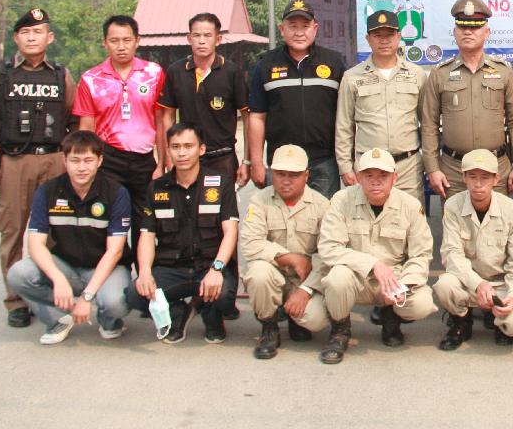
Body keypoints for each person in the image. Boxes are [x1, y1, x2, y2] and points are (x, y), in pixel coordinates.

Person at [0, 7, 76, 328]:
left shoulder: (61, 75)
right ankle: (16, 300)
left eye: (38, 32)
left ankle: (53, 291)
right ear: (16, 38)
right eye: (26, 33)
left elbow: (75, 119)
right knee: (13, 231)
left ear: (49, 37)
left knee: (58, 231)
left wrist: (72, 162)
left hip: (54, 161)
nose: (32, 38)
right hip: (14, 162)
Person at [6, 130, 132, 344]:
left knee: (116, 302)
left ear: (100, 161)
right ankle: (59, 318)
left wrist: (87, 296)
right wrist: (58, 279)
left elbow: (115, 251)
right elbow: (35, 245)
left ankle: (109, 321)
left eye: (88, 160)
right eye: (75, 160)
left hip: (105, 268)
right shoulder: (48, 191)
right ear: (64, 161)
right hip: (66, 266)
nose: (81, 167)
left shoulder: (116, 193)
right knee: (18, 273)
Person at [316, 147, 437, 364]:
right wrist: (373, 264)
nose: (376, 182)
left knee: (422, 302)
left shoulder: (410, 206)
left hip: (393, 279)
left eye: (383, 176)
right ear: (358, 177)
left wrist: (404, 286)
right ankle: (340, 329)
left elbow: (421, 254)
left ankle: (391, 317)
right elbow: (329, 247)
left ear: (394, 178)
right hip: (356, 277)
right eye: (369, 175)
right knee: (337, 278)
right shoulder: (341, 200)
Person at [125, 123, 239, 344]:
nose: (182, 153)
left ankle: (212, 316)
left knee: (224, 295)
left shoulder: (221, 184)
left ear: (201, 149)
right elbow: (147, 235)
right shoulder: (156, 188)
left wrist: (216, 269)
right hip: (172, 269)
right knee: (133, 294)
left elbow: (230, 232)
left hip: (208, 267)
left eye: (188, 146)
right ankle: (178, 312)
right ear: (168, 150)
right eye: (176, 147)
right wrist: (145, 272)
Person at [418, 0, 513, 200]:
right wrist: (432, 168)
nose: (468, 31)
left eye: (475, 27)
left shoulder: (503, 72)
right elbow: (429, 125)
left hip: (495, 169)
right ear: (455, 32)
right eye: (462, 26)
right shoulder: (440, 73)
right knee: (455, 221)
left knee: (497, 220)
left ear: (487, 32)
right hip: (454, 171)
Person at [74, 15, 165, 250]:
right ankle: (116, 268)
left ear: (137, 41)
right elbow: (86, 127)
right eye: (114, 41)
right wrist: (87, 164)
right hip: (108, 159)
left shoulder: (153, 73)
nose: (121, 46)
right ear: (105, 42)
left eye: (127, 40)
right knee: (110, 219)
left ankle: (143, 269)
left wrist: (162, 163)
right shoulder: (91, 79)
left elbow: (161, 121)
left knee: (145, 222)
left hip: (144, 160)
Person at [434, 149, 513, 350]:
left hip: (503, 283)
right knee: (445, 284)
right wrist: (478, 284)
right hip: (470, 282)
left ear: (496, 179)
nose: (478, 184)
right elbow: (451, 255)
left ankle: (501, 321)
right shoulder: (453, 206)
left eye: (485, 177)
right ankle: (461, 321)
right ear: (464, 177)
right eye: (472, 176)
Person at [247, 0, 346, 197]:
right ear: (282, 29)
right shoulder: (265, 65)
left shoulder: (334, 62)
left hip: (324, 162)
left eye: (305, 26)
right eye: (293, 26)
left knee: (324, 216)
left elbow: (346, 117)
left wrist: (347, 163)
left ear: (315, 29)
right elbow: (257, 117)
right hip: (282, 163)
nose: (299, 33)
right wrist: (256, 163)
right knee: (282, 217)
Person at [241, 144, 331, 359]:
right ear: (272, 173)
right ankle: (269, 326)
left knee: (316, 320)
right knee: (258, 273)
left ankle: (295, 319)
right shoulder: (259, 201)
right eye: (280, 174)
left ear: (306, 175)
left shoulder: (322, 205)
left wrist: (305, 290)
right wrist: (288, 257)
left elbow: (329, 253)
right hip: (274, 275)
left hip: (304, 280)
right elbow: (250, 242)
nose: (286, 180)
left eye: (294, 175)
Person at [335, 10, 427, 201]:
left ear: (399, 37)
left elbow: (428, 124)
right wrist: (345, 166)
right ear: (368, 39)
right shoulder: (352, 77)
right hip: (368, 167)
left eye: (389, 35)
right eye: (377, 35)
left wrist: (430, 163)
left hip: (407, 168)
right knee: (367, 218)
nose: (384, 41)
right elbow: (344, 126)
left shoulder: (417, 74)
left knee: (410, 217)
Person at [157, 12, 250, 187]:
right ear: (189, 38)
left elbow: (247, 117)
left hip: (223, 157)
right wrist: (169, 157)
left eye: (207, 35)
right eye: (196, 35)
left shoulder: (232, 72)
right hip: (187, 158)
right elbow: (167, 116)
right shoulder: (176, 71)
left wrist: (247, 161)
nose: (201, 41)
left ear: (218, 39)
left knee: (222, 204)